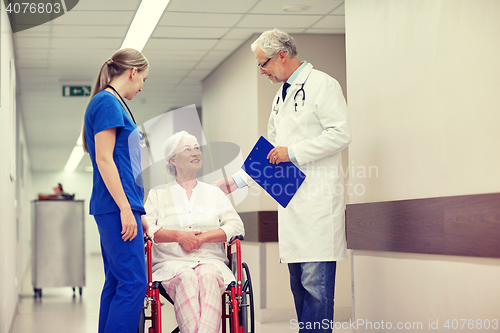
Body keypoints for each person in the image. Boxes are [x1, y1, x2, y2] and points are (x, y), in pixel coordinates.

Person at [213, 29, 352, 332]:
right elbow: (271, 152)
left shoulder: (322, 85)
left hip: (317, 206)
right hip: (292, 206)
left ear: (282, 56)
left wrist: (293, 152)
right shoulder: (281, 96)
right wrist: (235, 181)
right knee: (299, 289)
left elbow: (341, 134)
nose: (261, 71)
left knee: (317, 290)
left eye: (262, 64)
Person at [144, 131, 245, 333]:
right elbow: (148, 229)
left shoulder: (214, 193)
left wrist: (203, 238)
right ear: (173, 160)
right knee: (186, 276)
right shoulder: (158, 194)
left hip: (211, 262)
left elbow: (236, 226)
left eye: (197, 147)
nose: (195, 152)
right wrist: (178, 236)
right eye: (187, 149)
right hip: (171, 265)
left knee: (207, 275)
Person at [82, 48, 150, 333]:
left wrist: (138, 210)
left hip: (120, 206)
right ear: (132, 72)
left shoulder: (113, 103)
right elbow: (104, 158)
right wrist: (125, 208)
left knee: (117, 282)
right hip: (114, 207)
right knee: (134, 282)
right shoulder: (107, 103)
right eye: (143, 79)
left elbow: (123, 164)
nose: (142, 86)